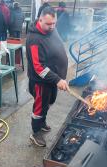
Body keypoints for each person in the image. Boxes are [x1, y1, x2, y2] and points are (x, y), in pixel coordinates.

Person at [26, 6, 69, 147]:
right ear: (40, 20)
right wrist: (57, 79)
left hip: (53, 79)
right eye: (48, 24)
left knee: (49, 102)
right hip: (41, 82)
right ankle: (36, 132)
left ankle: (42, 121)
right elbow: (38, 68)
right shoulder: (34, 39)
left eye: (54, 23)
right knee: (39, 107)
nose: (52, 27)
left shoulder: (51, 29)